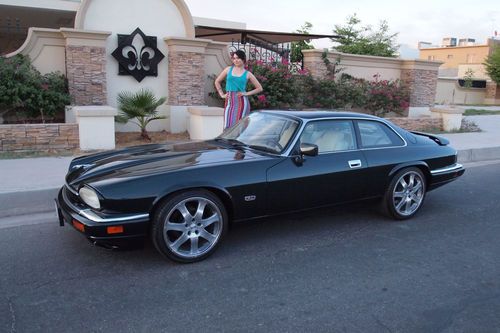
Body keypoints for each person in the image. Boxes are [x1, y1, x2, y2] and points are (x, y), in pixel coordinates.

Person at [215, 50, 263, 129]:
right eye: (234, 58)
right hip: (230, 101)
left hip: (242, 102)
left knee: (239, 128)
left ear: (243, 59)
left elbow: (259, 88)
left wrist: (246, 93)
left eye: (238, 58)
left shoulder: (247, 74)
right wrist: (222, 94)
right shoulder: (228, 69)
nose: (235, 60)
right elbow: (217, 81)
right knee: (227, 126)